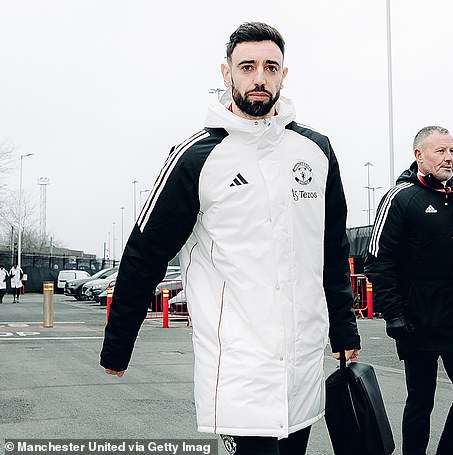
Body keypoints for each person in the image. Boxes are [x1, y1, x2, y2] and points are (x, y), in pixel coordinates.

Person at [100, 21, 361, 455]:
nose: (259, 78)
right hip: (237, 363)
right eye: (247, 66)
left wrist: (344, 332)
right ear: (227, 74)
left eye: (270, 67)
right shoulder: (197, 156)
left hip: (302, 362)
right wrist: (118, 348)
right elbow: (146, 251)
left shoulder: (316, 151)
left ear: (284, 74)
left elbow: (331, 252)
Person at [364, 125, 453, 455]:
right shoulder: (401, 198)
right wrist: (393, 313)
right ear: (419, 155)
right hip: (417, 321)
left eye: (452, 150)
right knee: (421, 401)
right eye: (440, 151)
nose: (449, 157)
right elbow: (378, 261)